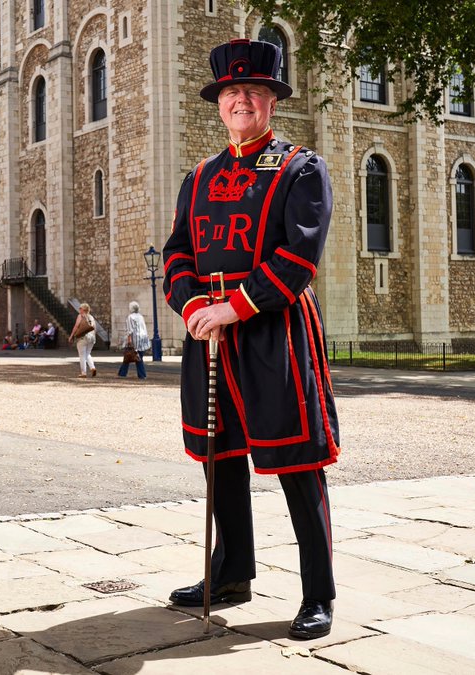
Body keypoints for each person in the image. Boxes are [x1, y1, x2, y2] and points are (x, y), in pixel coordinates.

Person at [161, 39, 340, 641]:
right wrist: (191, 306)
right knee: (221, 461)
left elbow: (298, 258)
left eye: (253, 93)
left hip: (272, 331)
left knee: (298, 460)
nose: (241, 101)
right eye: (231, 93)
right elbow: (178, 251)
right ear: (219, 105)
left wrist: (232, 308)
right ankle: (231, 573)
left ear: (270, 103)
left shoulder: (301, 169)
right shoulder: (201, 176)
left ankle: (319, 592)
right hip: (208, 335)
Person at [118, 301, 151, 379]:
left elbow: (130, 330)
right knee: (132, 356)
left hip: (135, 339)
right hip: (142, 338)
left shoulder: (130, 317)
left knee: (134, 357)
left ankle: (142, 375)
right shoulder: (140, 316)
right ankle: (122, 373)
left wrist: (129, 342)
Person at [69, 303, 97, 377]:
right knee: (87, 354)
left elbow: (76, 326)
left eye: (80, 308)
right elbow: (94, 328)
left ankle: (83, 373)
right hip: (92, 338)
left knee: (82, 355)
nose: (79, 309)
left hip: (83, 337)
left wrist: (71, 336)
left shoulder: (80, 316)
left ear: (83, 310)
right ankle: (92, 367)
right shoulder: (91, 317)